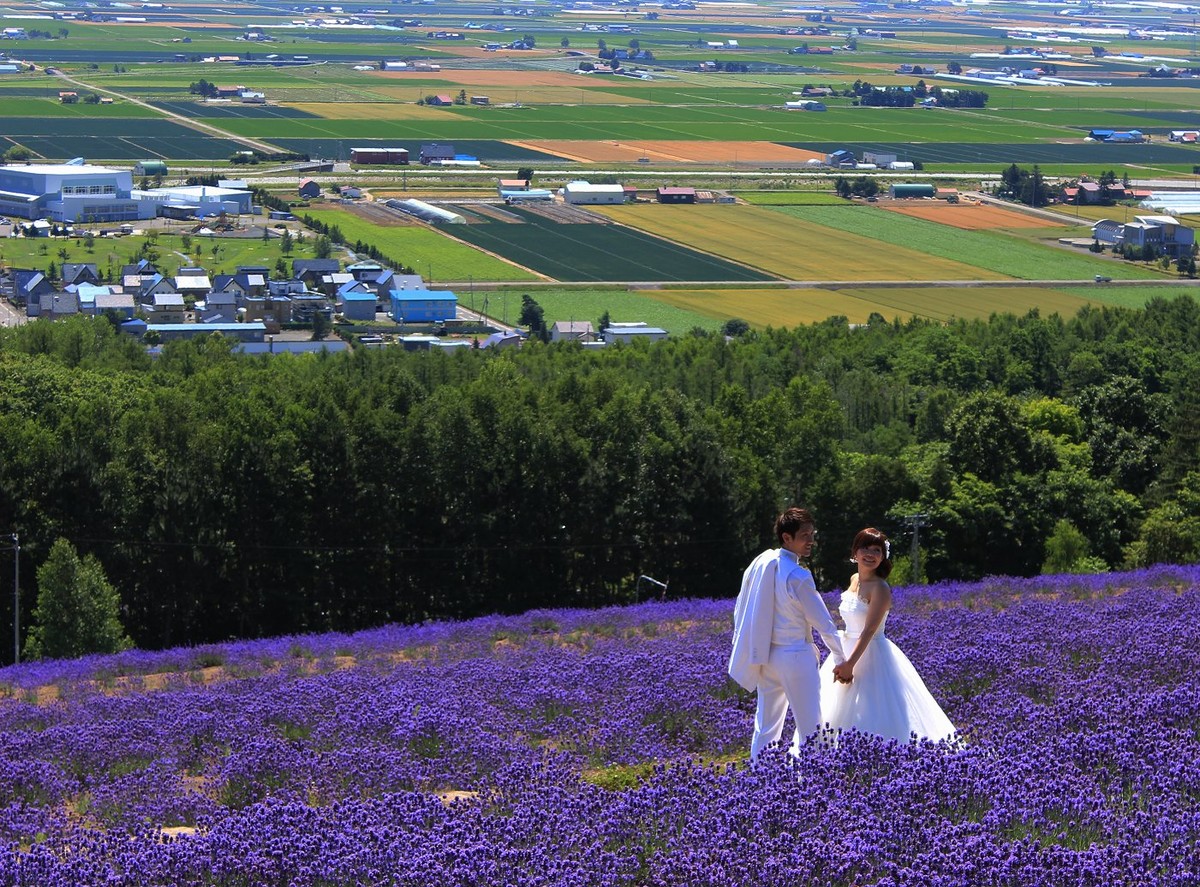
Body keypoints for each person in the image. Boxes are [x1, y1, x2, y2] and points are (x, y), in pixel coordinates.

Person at [729, 507, 848, 759]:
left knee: (766, 726)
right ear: (787, 537)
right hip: (796, 656)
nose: (811, 541)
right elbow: (823, 622)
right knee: (811, 726)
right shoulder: (797, 575)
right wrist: (841, 657)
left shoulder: (765, 565)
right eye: (805, 535)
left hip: (768, 655)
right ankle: (818, 779)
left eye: (812, 534)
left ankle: (759, 777)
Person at [820, 527, 957, 743]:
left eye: (877, 550)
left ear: (883, 557)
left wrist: (850, 665)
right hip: (846, 649)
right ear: (855, 552)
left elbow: (869, 630)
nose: (870, 554)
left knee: (872, 712)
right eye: (865, 548)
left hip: (871, 653)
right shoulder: (854, 579)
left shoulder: (880, 588)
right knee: (835, 712)